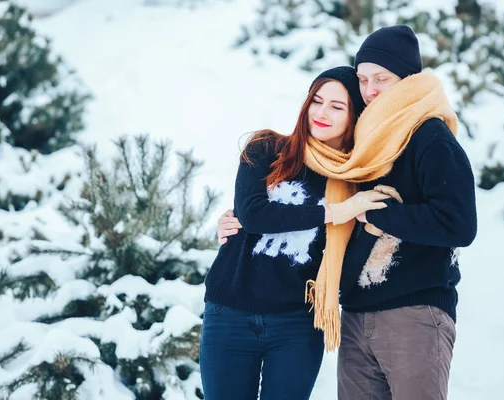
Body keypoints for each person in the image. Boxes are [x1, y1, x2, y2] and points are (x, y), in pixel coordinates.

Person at [217, 25, 478, 400]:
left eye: (381, 79)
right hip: (357, 314)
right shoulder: (362, 152)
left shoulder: (429, 135)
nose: (370, 90)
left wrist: (378, 215)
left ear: (406, 80)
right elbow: (318, 221)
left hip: (414, 310)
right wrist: (237, 224)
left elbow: (459, 224)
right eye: (363, 79)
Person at [200, 66, 400, 400]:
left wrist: (372, 225)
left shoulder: (354, 182)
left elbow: (346, 264)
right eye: (316, 101)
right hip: (230, 312)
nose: (321, 113)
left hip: (296, 324)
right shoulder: (266, 148)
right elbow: (253, 215)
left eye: (337, 107)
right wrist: (334, 213)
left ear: (355, 117)